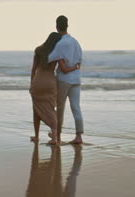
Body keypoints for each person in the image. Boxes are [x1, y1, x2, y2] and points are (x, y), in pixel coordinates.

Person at [30, 33, 80, 144]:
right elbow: (64, 69)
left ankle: (36, 136)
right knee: (51, 109)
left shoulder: (38, 50)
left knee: (36, 109)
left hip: (38, 81)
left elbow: (33, 70)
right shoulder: (57, 52)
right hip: (50, 82)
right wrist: (75, 66)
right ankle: (55, 137)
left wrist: (31, 84)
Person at [48, 15, 84, 144]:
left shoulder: (60, 43)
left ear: (56, 26)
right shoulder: (75, 41)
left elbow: (52, 60)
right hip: (76, 79)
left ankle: (57, 136)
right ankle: (79, 136)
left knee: (60, 108)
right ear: (67, 25)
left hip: (64, 80)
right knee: (76, 107)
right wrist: (74, 67)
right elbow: (80, 61)